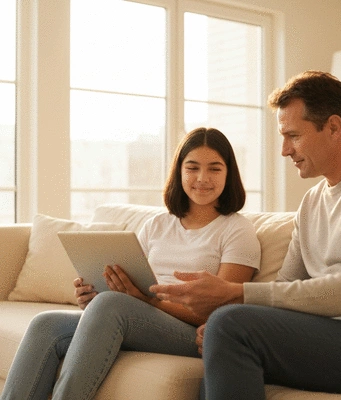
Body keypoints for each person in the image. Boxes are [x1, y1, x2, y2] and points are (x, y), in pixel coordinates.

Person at [150, 71, 341, 398]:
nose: (284, 150)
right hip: (331, 332)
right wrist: (232, 310)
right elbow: (284, 286)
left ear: (334, 128)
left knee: (230, 324)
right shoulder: (312, 201)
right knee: (223, 331)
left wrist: (236, 294)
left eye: (293, 135)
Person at [0, 127, 261, 400]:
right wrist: (99, 293)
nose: (202, 178)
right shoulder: (158, 224)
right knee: (46, 325)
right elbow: (138, 283)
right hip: (141, 316)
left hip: (196, 332)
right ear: (179, 171)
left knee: (112, 306)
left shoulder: (237, 230)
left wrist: (142, 301)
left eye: (215, 169)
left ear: (229, 173)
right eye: (192, 168)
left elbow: (223, 310)